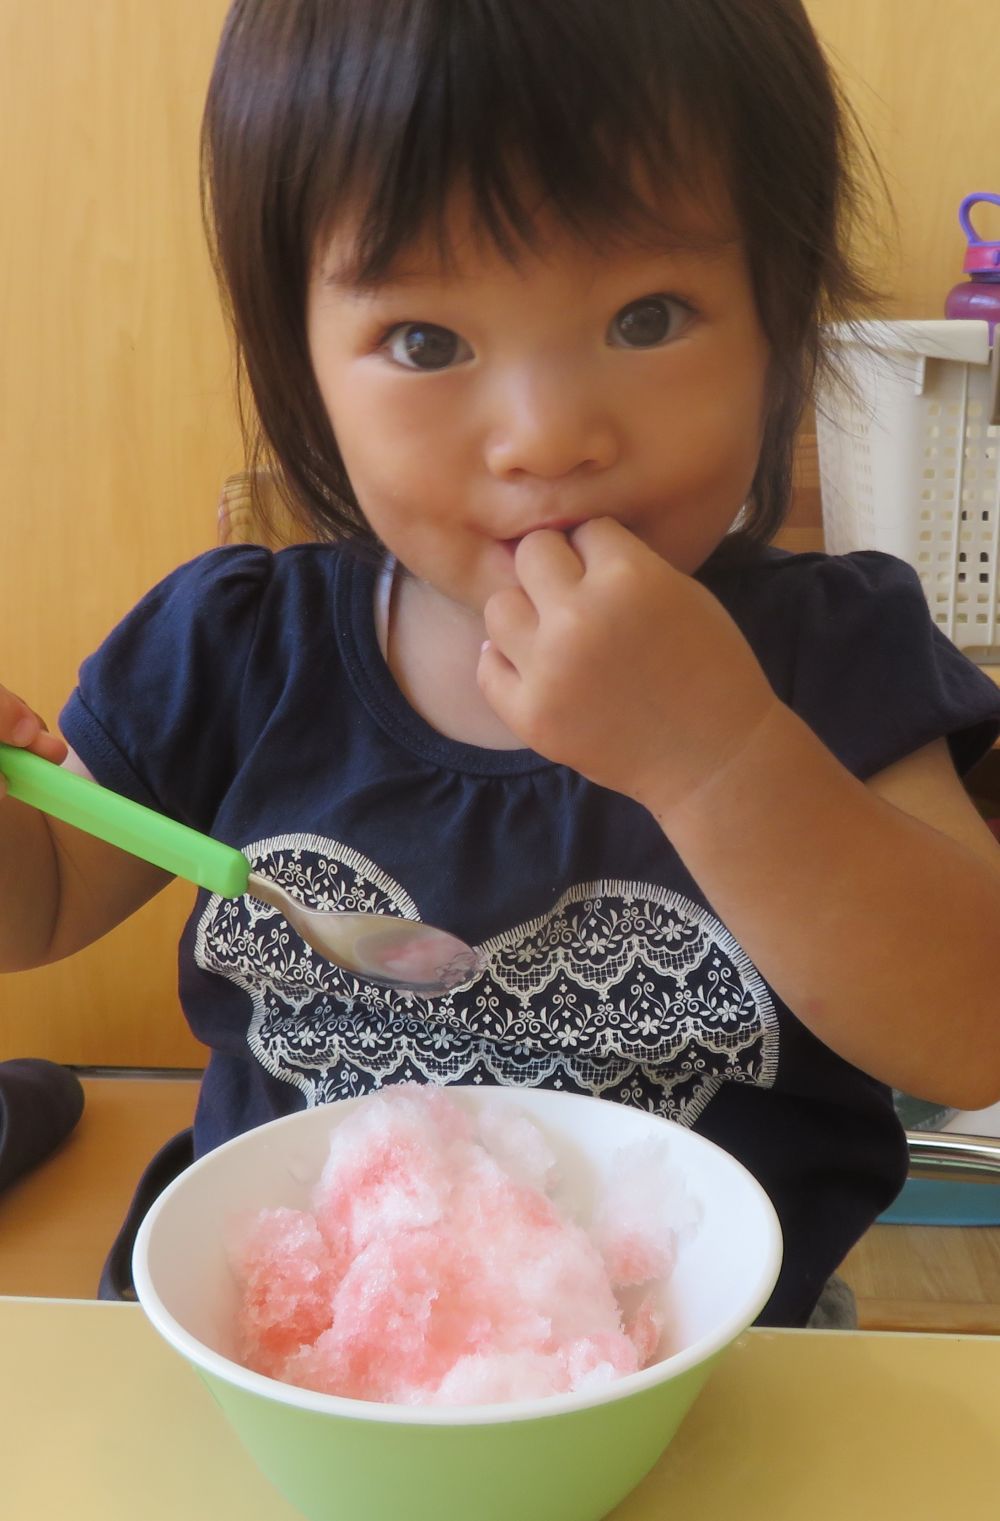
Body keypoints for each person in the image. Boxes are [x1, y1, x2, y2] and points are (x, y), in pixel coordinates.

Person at [2, 0, 999, 1327]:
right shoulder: (233, 649)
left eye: (648, 316)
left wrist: (718, 756)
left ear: (779, 316)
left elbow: (971, 1027)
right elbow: (40, 907)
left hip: (701, 1373)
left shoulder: (828, 658)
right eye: (427, 341)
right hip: (301, 1354)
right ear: (301, 358)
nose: (544, 436)